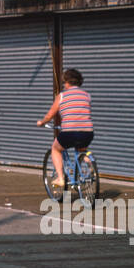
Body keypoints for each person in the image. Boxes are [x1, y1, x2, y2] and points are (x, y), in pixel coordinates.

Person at [36, 68, 93, 196]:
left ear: (66, 82)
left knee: (55, 149)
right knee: (81, 148)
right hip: (87, 132)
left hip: (69, 133)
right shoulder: (86, 95)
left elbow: (50, 115)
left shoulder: (61, 96)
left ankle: (61, 178)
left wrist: (42, 122)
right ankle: (90, 166)